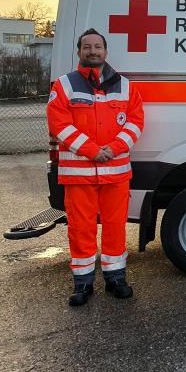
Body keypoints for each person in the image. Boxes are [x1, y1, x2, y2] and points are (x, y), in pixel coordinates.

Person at [47, 28, 144, 306]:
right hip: (78, 176)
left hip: (115, 174)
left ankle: (116, 279)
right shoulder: (64, 86)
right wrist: (92, 151)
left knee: (115, 227)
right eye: (87, 47)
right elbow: (59, 125)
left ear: (105, 51)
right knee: (81, 228)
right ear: (79, 52)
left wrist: (112, 149)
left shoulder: (125, 86)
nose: (93, 51)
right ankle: (83, 284)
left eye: (97, 46)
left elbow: (136, 122)